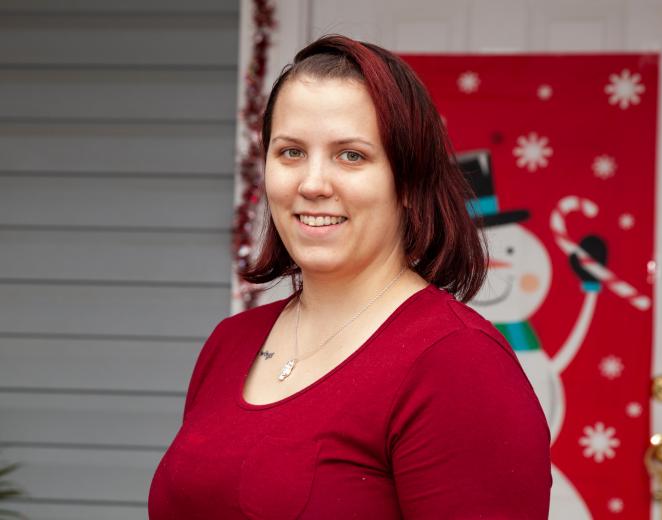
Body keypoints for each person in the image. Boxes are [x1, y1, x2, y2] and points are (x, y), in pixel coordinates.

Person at [148, 34, 551, 519]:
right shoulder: (230, 343)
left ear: (407, 180)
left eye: (351, 155)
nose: (313, 184)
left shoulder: (457, 363)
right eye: (291, 152)